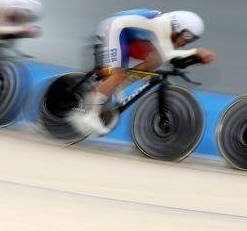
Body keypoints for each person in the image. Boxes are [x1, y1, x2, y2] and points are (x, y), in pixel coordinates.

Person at [69, 9, 215, 136]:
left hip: (126, 33)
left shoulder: (168, 27)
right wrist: (196, 51)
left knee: (155, 60)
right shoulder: (161, 24)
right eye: (185, 37)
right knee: (118, 74)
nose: (184, 43)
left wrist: (194, 58)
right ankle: (91, 115)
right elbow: (169, 55)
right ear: (177, 27)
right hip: (112, 29)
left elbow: (166, 56)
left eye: (190, 40)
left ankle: (115, 86)